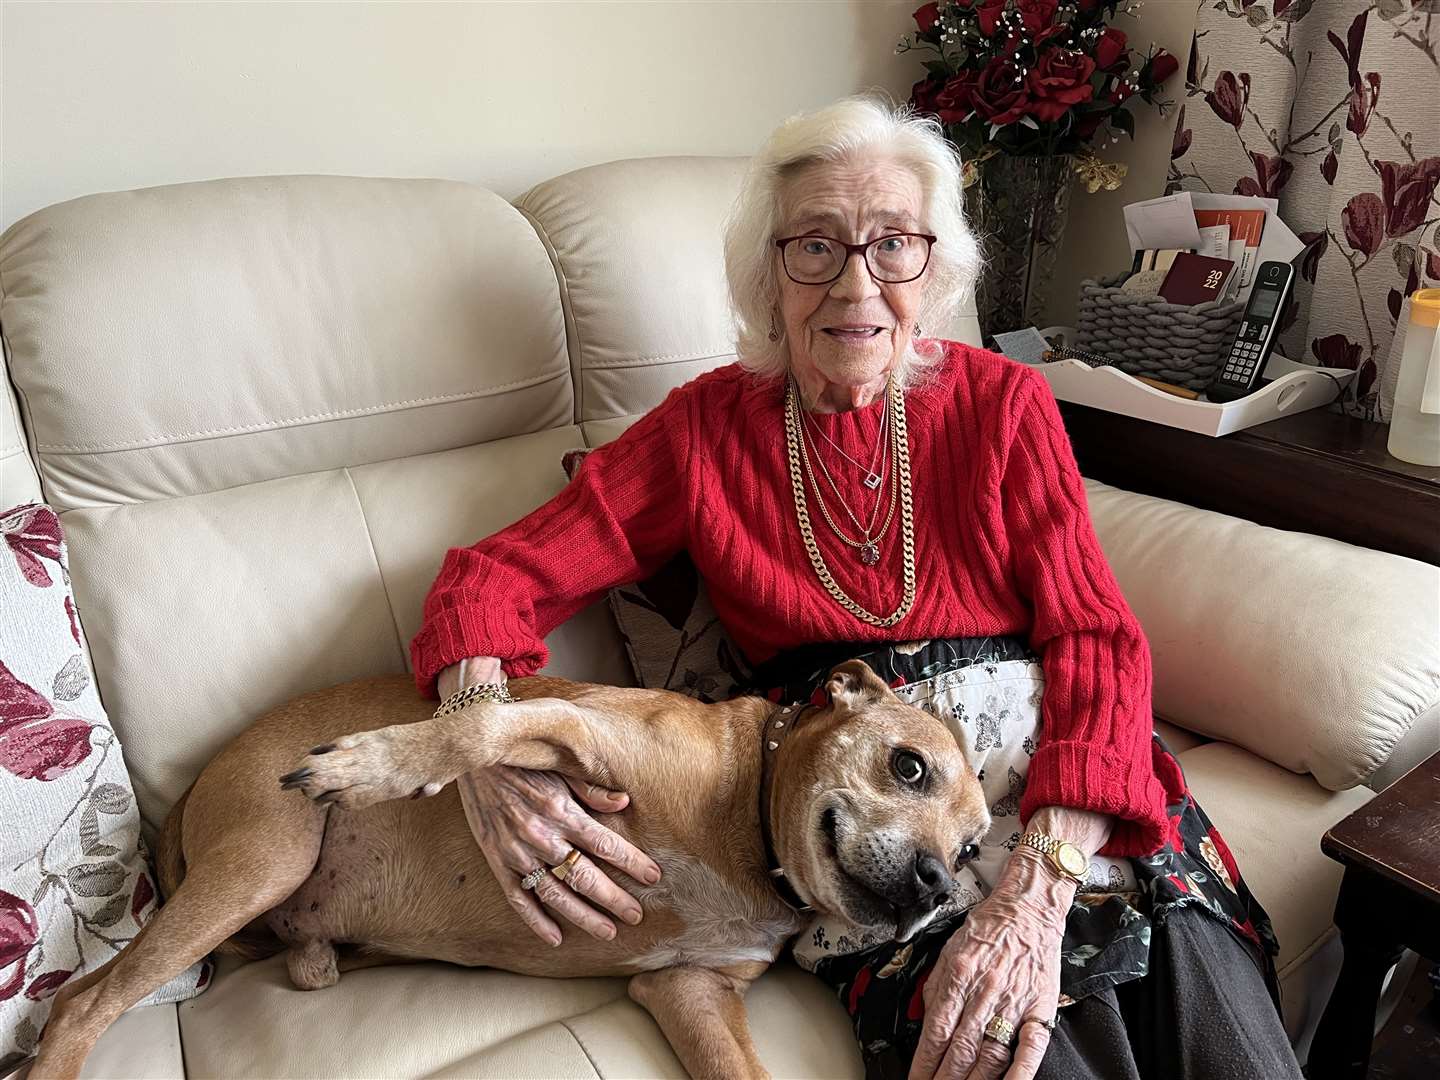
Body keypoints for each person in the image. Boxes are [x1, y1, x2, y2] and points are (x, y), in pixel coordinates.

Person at [410, 97, 1303, 1080]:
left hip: (1064, 801)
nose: (855, 283)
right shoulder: (705, 434)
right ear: (770, 273)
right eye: (816, 247)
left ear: (938, 267)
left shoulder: (1006, 406)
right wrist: (484, 750)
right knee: (1010, 1048)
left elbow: (1095, 637)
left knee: (1205, 1003)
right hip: (870, 816)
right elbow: (490, 580)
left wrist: (1043, 886)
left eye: (893, 246)